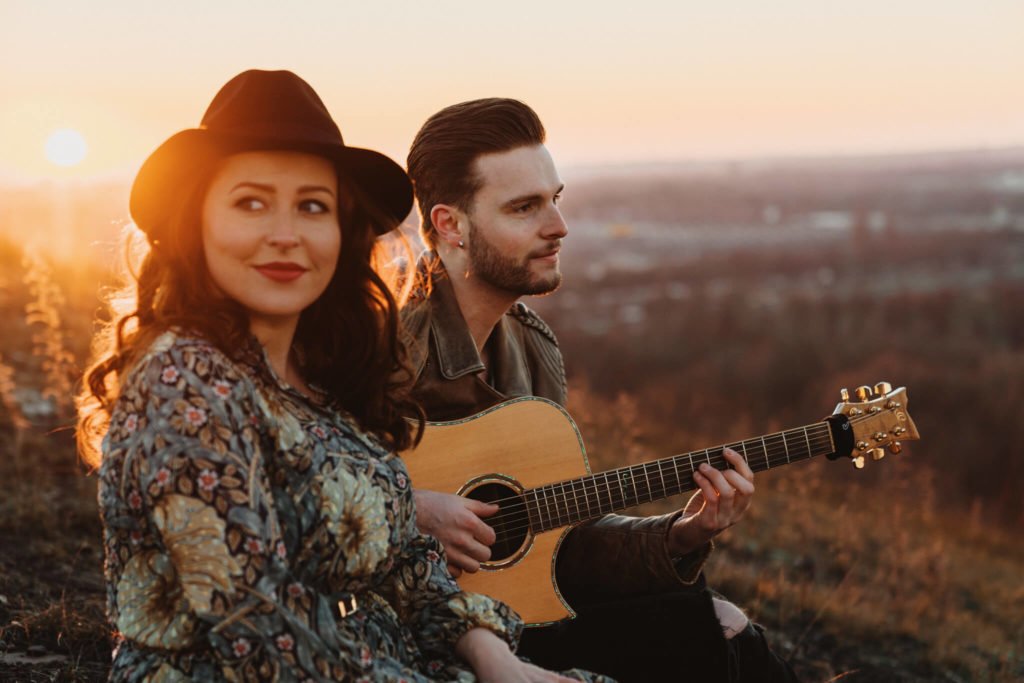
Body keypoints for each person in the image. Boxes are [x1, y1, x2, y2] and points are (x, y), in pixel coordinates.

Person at [77, 71, 612, 683]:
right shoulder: (185, 380)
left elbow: (408, 562)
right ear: (195, 221)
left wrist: (497, 661)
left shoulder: (323, 374)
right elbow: (258, 629)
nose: (286, 234)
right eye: (251, 202)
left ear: (340, 231)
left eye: (313, 205)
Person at [401, 98, 800, 682]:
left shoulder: (533, 350)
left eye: (554, 200)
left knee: (722, 622)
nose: (558, 226)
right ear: (449, 224)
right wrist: (412, 508)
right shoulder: (386, 351)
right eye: (524, 207)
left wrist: (685, 532)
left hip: (515, 617)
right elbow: (310, 489)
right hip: (418, 633)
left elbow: (561, 543)